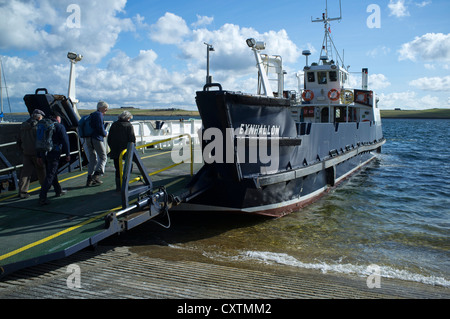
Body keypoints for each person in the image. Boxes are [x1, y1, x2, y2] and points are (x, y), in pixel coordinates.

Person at [37, 115, 71, 205]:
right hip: (54, 153)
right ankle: (42, 196)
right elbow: (65, 141)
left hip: (44, 153)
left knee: (52, 172)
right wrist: (68, 154)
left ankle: (58, 190)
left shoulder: (43, 126)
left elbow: (38, 141)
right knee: (50, 175)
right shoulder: (59, 126)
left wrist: (39, 156)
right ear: (57, 119)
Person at [17, 109, 47, 199]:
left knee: (25, 173)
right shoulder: (38, 127)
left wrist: (22, 149)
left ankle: (22, 192)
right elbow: (41, 140)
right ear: (38, 117)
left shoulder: (23, 126)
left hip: (26, 152)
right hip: (36, 153)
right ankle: (44, 188)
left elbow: (18, 140)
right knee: (41, 171)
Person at [107, 111, 136, 191]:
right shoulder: (129, 126)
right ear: (127, 118)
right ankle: (125, 184)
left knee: (118, 168)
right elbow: (132, 139)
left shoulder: (114, 125)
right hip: (125, 150)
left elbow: (109, 139)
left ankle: (118, 186)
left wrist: (112, 148)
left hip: (115, 150)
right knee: (128, 166)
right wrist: (133, 149)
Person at [85, 101, 108, 186]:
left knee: (92, 159)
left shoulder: (92, 114)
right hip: (96, 139)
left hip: (89, 138)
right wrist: (104, 133)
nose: (107, 109)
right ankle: (96, 175)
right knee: (103, 157)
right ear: (100, 107)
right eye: (105, 107)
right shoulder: (99, 115)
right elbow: (100, 128)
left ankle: (89, 178)